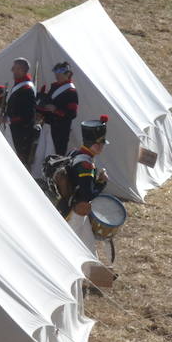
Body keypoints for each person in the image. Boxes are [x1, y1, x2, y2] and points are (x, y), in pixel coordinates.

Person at [56, 117, 111, 250]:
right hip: (75, 211)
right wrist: (102, 182)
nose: (102, 146)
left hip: (77, 209)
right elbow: (88, 195)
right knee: (65, 246)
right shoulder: (86, 164)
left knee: (89, 247)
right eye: (101, 143)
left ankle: (92, 270)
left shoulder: (74, 152)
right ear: (96, 144)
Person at [36, 61, 80, 157]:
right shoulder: (54, 87)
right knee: (40, 155)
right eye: (56, 74)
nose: (57, 76)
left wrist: (56, 110)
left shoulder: (71, 92)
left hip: (59, 131)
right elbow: (47, 104)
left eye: (59, 74)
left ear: (68, 74)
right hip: (47, 126)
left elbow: (72, 113)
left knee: (52, 156)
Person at [4, 57, 38, 167]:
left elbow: (27, 115)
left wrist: (8, 119)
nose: (12, 70)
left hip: (22, 133)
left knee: (20, 164)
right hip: (16, 131)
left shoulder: (27, 89)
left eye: (14, 68)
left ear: (21, 70)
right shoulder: (20, 85)